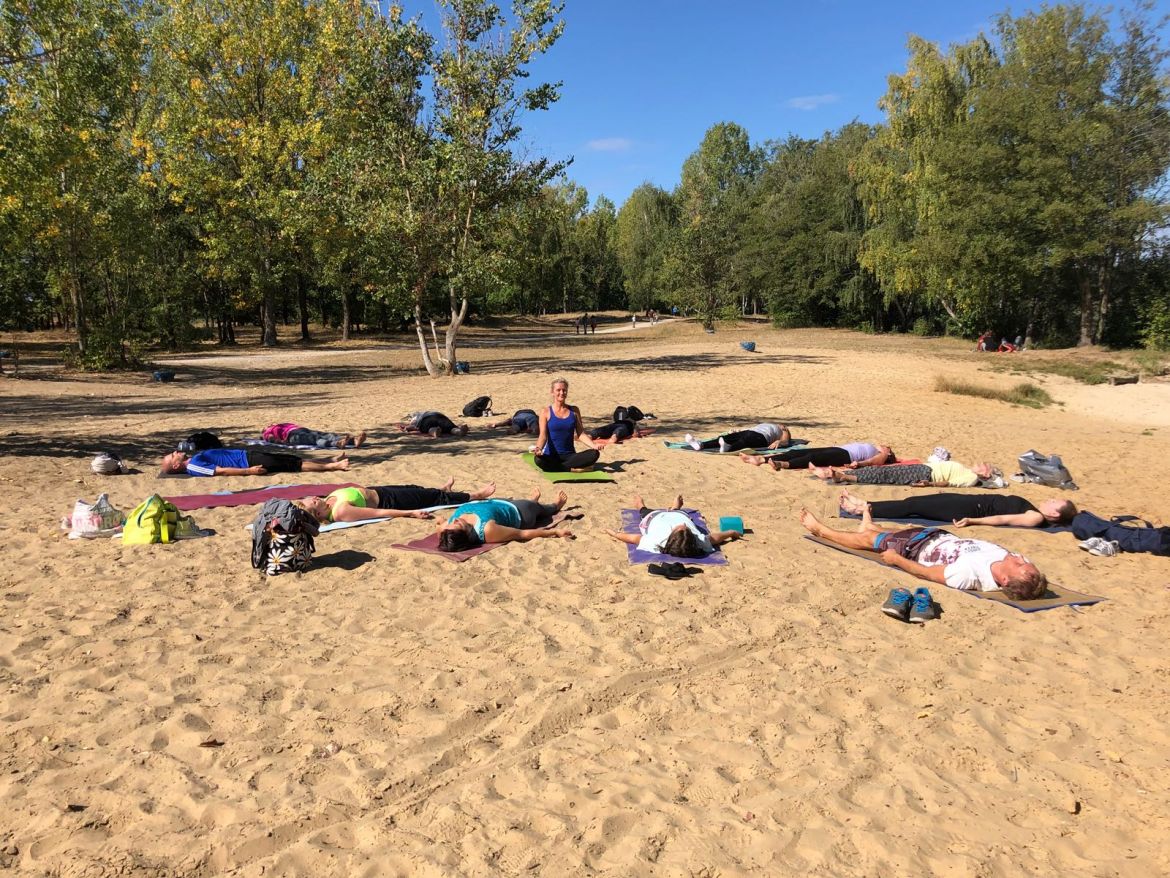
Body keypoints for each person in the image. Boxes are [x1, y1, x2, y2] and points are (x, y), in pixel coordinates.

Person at [799, 507, 1048, 600]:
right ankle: (871, 527)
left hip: (917, 549)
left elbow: (928, 573)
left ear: (1005, 580)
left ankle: (821, 530)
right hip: (938, 537)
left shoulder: (968, 575)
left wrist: (897, 560)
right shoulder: (1007, 560)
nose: (1021, 559)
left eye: (1022, 565)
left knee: (868, 540)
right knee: (885, 531)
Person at [839, 489, 1077, 528]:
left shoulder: (1035, 517)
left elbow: (1002, 519)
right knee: (914, 501)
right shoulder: (1033, 509)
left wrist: (973, 521)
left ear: (1055, 514)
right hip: (969, 500)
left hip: (970, 509)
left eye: (1056, 501)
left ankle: (862, 509)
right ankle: (863, 504)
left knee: (913, 507)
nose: (1052, 498)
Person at [299, 478, 497, 524]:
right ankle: (476, 495)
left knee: (418, 489)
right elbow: (378, 513)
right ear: (318, 514)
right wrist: (409, 513)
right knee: (432, 498)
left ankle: (443, 490)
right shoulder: (341, 512)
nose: (316, 498)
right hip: (389, 501)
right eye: (314, 502)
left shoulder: (328, 501)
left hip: (380, 490)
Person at [603, 494, 742, 557]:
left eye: (679, 528)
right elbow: (714, 538)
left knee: (642, 509)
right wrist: (731, 533)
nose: (682, 525)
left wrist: (614, 534)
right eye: (685, 528)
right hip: (679, 514)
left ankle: (640, 503)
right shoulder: (699, 541)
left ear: (671, 537)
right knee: (679, 515)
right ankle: (675, 507)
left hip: (654, 517)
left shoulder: (656, 540)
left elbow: (632, 538)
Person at [436, 489, 574, 551]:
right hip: (518, 512)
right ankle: (555, 505)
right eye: (458, 524)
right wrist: (555, 532)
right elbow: (522, 534)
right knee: (539, 508)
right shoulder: (487, 530)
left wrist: (440, 521)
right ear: (467, 533)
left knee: (526, 502)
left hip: (494, 504)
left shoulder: (446, 531)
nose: (454, 521)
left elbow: (441, 525)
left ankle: (531, 500)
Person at [532, 378, 602, 472]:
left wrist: (593, 445)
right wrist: (538, 448)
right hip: (552, 456)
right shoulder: (545, 412)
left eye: (564, 390)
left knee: (594, 454)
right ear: (552, 392)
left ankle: (561, 467)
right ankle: (570, 468)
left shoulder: (574, 410)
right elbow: (543, 435)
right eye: (558, 390)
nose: (562, 393)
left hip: (570, 456)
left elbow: (581, 434)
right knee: (538, 460)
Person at [161, 447, 350, 477]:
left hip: (246, 455)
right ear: (176, 465)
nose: (176, 452)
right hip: (246, 462)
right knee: (293, 465)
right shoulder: (193, 466)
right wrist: (249, 471)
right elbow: (221, 471)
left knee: (290, 459)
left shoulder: (192, 461)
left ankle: (328, 460)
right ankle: (332, 466)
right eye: (173, 455)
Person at [811, 459, 1000, 488]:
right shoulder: (968, 470)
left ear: (985, 475)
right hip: (924, 468)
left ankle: (841, 477)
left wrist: (929, 484)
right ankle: (828, 473)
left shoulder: (971, 478)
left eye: (985, 467)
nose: (981, 464)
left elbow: (949, 483)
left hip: (927, 475)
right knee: (880, 470)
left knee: (884, 477)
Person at [740, 440, 894, 469]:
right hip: (839, 450)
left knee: (813, 459)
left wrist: (886, 453)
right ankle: (761, 459)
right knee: (797, 451)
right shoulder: (874, 448)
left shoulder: (882, 454)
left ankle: (784, 464)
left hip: (846, 456)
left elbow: (876, 462)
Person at [687, 423, 792, 454]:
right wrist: (736, 431)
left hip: (763, 438)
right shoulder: (766, 425)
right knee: (725, 438)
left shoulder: (783, 429)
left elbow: (786, 441)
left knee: (745, 441)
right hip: (751, 431)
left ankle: (729, 448)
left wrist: (780, 441)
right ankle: (700, 445)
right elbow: (750, 429)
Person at [261, 423, 366, 449]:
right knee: (314, 440)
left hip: (301, 430)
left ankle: (353, 441)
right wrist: (281, 442)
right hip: (291, 436)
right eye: (266, 426)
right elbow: (271, 439)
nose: (269, 424)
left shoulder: (279, 425)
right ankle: (336, 444)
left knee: (325, 435)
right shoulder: (267, 432)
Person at [403, 411, 469, 438]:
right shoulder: (428, 412)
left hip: (427, 419)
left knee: (429, 429)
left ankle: (435, 431)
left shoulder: (415, 417)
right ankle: (459, 431)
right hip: (440, 416)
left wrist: (407, 428)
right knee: (450, 428)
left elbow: (413, 426)